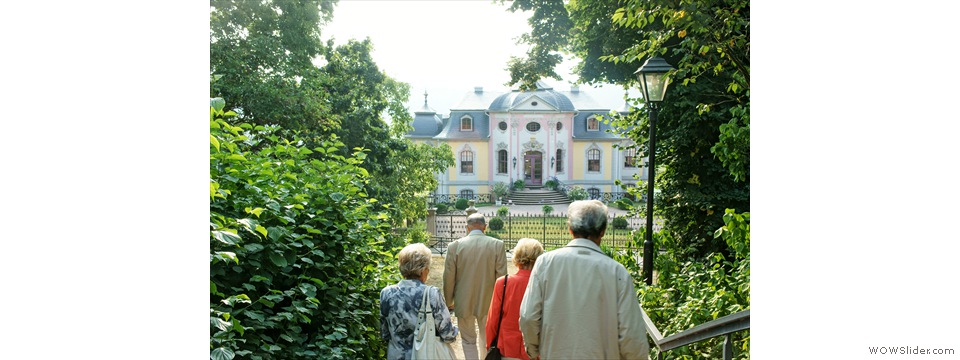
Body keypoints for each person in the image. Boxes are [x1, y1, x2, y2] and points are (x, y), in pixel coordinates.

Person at [518, 200, 650, 359]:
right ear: (603, 231)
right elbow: (631, 334)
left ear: (570, 229)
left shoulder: (545, 264)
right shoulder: (616, 272)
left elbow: (528, 316)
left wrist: (533, 350)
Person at [443, 213, 508, 360]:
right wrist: (502, 303)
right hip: (489, 301)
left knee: (467, 340)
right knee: (486, 339)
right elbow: (502, 277)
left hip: (463, 299)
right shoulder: (497, 245)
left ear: (467, 227)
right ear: (485, 227)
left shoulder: (455, 246)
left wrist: (449, 301)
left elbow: (448, 277)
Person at [380, 243, 458, 360]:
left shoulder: (386, 293)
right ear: (423, 270)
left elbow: (385, 333)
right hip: (426, 355)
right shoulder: (432, 294)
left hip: (396, 355)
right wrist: (456, 329)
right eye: (428, 268)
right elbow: (448, 335)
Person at [485, 238, 544, 360]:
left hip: (507, 347)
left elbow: (493, 320)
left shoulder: (503, 283)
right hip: (536, 349)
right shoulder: (544, 284)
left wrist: (490, 344)